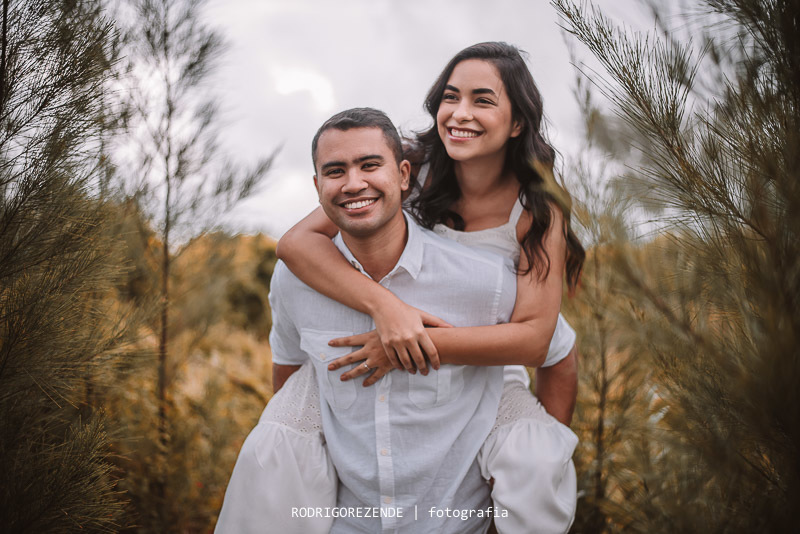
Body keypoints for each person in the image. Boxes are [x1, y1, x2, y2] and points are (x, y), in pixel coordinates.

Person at [273, 42, 584, 533]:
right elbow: (295, 244)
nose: (460, 114)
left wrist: (406, 345)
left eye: (483, 100)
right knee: (278, 444)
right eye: (450, 97)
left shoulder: (537, 210)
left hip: (484, 364)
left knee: (536, 461)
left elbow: (535, 341)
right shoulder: (409, 169)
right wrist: (386, 308)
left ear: (518, 121)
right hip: (393, 326)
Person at [218, 107, 520, 533]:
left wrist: (514, 491)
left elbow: (553, 352)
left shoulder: (484, 282)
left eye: (369, 165)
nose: (353, 183)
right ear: (317, 185)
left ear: (402, 175)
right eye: (335, 171)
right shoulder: (292, 281)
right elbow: (288, 374)